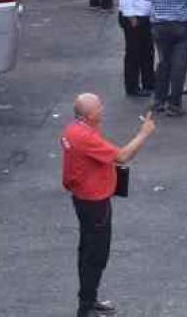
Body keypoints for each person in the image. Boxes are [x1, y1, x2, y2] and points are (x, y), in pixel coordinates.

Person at [61, 93, 156, 317]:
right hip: (95, 203)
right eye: (99, 108)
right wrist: (144, 133)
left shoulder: (73, 130)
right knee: (96, 254)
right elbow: (122, 156)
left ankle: (89, 300)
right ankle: (86, 307)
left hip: (85, 198)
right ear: (89, 115)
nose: (102, 109)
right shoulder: (85, 137)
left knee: (88, 251)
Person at [116, 0, 155, 97]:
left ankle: (149, 82)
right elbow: (126, 2)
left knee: (148, 51)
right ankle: (132, 87)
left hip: (146, 17)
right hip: (133, 19)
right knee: (134, 53)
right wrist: (133, 21)